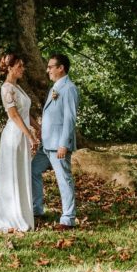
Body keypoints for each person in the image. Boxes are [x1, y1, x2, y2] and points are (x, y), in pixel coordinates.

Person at [0, 52, 39, 232]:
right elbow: (13, 115)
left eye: (22, 66)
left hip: (23, 133)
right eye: (19, 66)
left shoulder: (18, 88)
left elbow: (26, 112)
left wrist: (37, 127)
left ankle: (22, 212)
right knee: (11, 173)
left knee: (21, 172)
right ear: (10, 68)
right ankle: (9, 214)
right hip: (14, 135)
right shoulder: (6, 89)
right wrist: (29, 135)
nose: (22, 69)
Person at [31, 53, 79, 230]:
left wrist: (63, 144)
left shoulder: (69, 88)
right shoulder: (55, 88)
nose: (47, 70)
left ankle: (68, 218)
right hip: (46, 144)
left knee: (64, 179)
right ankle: (37, 209)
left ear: (61, 68)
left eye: (51, 67)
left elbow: (69, 118)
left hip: (58, 145)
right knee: (32, 170)